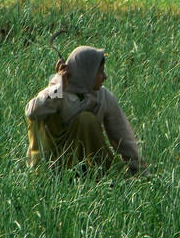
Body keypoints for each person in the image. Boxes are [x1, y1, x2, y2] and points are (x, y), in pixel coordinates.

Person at [25, 45, 143, 174]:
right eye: (100, 72)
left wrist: (139, 170)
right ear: (87, 73)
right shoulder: (57, 93)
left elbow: (122, 135)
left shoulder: (102, 97)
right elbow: (32, 112)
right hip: (53, 168)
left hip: (91, 170)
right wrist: (58, 88)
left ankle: (98, 174)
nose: (105, 77)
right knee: (86, 119)